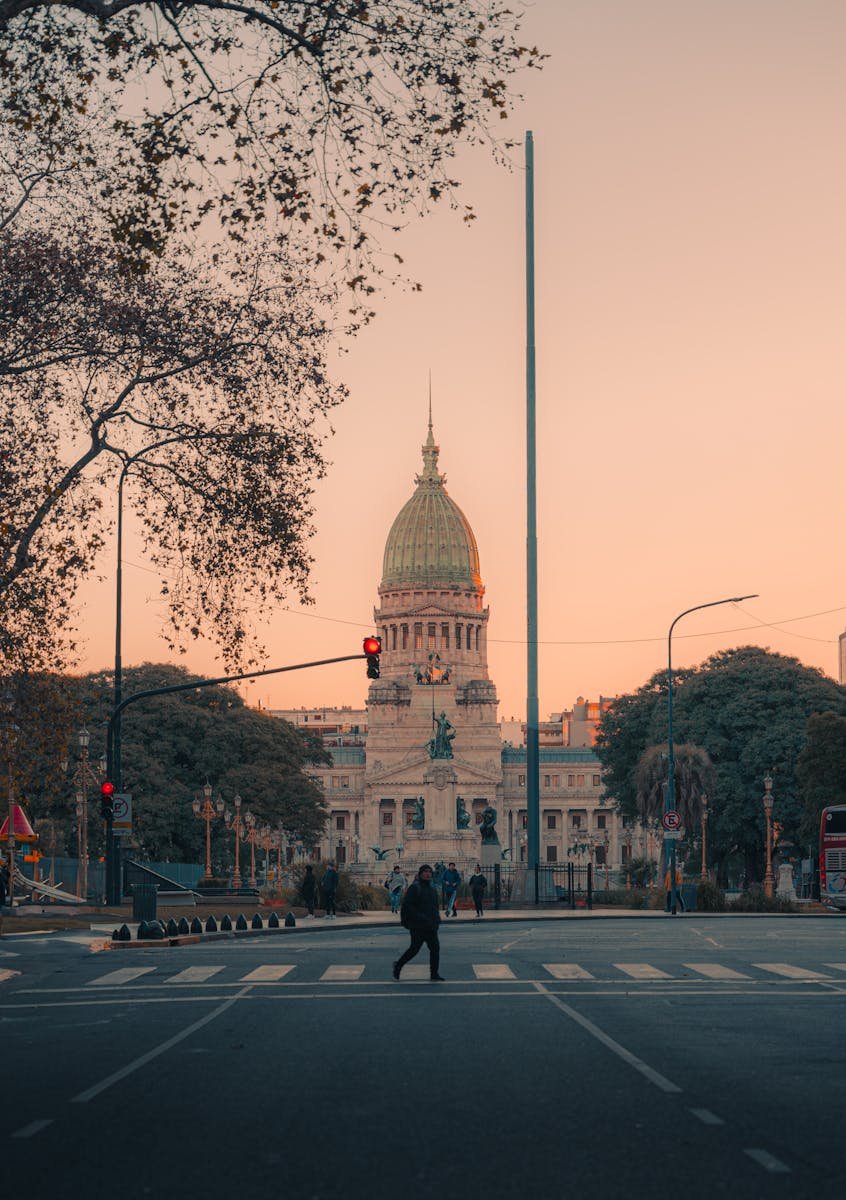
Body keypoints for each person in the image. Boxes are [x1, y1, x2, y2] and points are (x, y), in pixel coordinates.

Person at [394, 864, 443, 981]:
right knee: (414, 949)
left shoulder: (432, 889)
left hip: (430, 926)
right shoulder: (415, 888)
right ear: (420, 874)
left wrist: (437, 920)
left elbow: (435, 907)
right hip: (418, 926)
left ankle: (434, 973)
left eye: (430, 872)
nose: (428, 874)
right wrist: (420, 917)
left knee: (435, 949)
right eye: (425, 872)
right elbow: (408, 906)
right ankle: (398, 965)